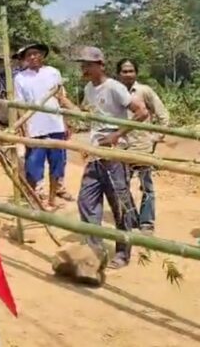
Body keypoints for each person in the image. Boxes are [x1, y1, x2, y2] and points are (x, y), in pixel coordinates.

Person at [73, 47, 147, 269]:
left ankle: (123, 253)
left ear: (101, 65)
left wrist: (116, 135)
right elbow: (92, 116)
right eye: (82, 64)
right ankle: (95, 249)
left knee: (119, 204)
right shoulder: (89, 88)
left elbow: (141, 112)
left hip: (115, 156)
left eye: (89, 64)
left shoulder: (114, 87)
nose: (84, 68)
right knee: (86, 201)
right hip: (96, 154)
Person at [14, 43, 74, 209]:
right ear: (25, 58)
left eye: (36, 53)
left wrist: (66, 122)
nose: (33, 57)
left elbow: (61, 98)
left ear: (43, 55)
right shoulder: (20, 78)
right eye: (29, 55)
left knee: (57, 165)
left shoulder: (53, 73)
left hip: (55, 125)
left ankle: (53, 198)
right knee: (33, 166)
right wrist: (25, 130)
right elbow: (20, 105)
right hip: (35, 127)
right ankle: (34, 199)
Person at [117, 58, 170, 234]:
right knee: (121, 185)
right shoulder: (114, 91)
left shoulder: (144, 91)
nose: (128, 74)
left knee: (146, 186)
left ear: (136, 73)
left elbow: (163, 115)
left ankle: (146, 222)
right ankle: (131, 218)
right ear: (119, 74)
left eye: (131, 71)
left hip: (142, 146)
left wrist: (155, 137)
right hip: (121, 147)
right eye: (124, 71)